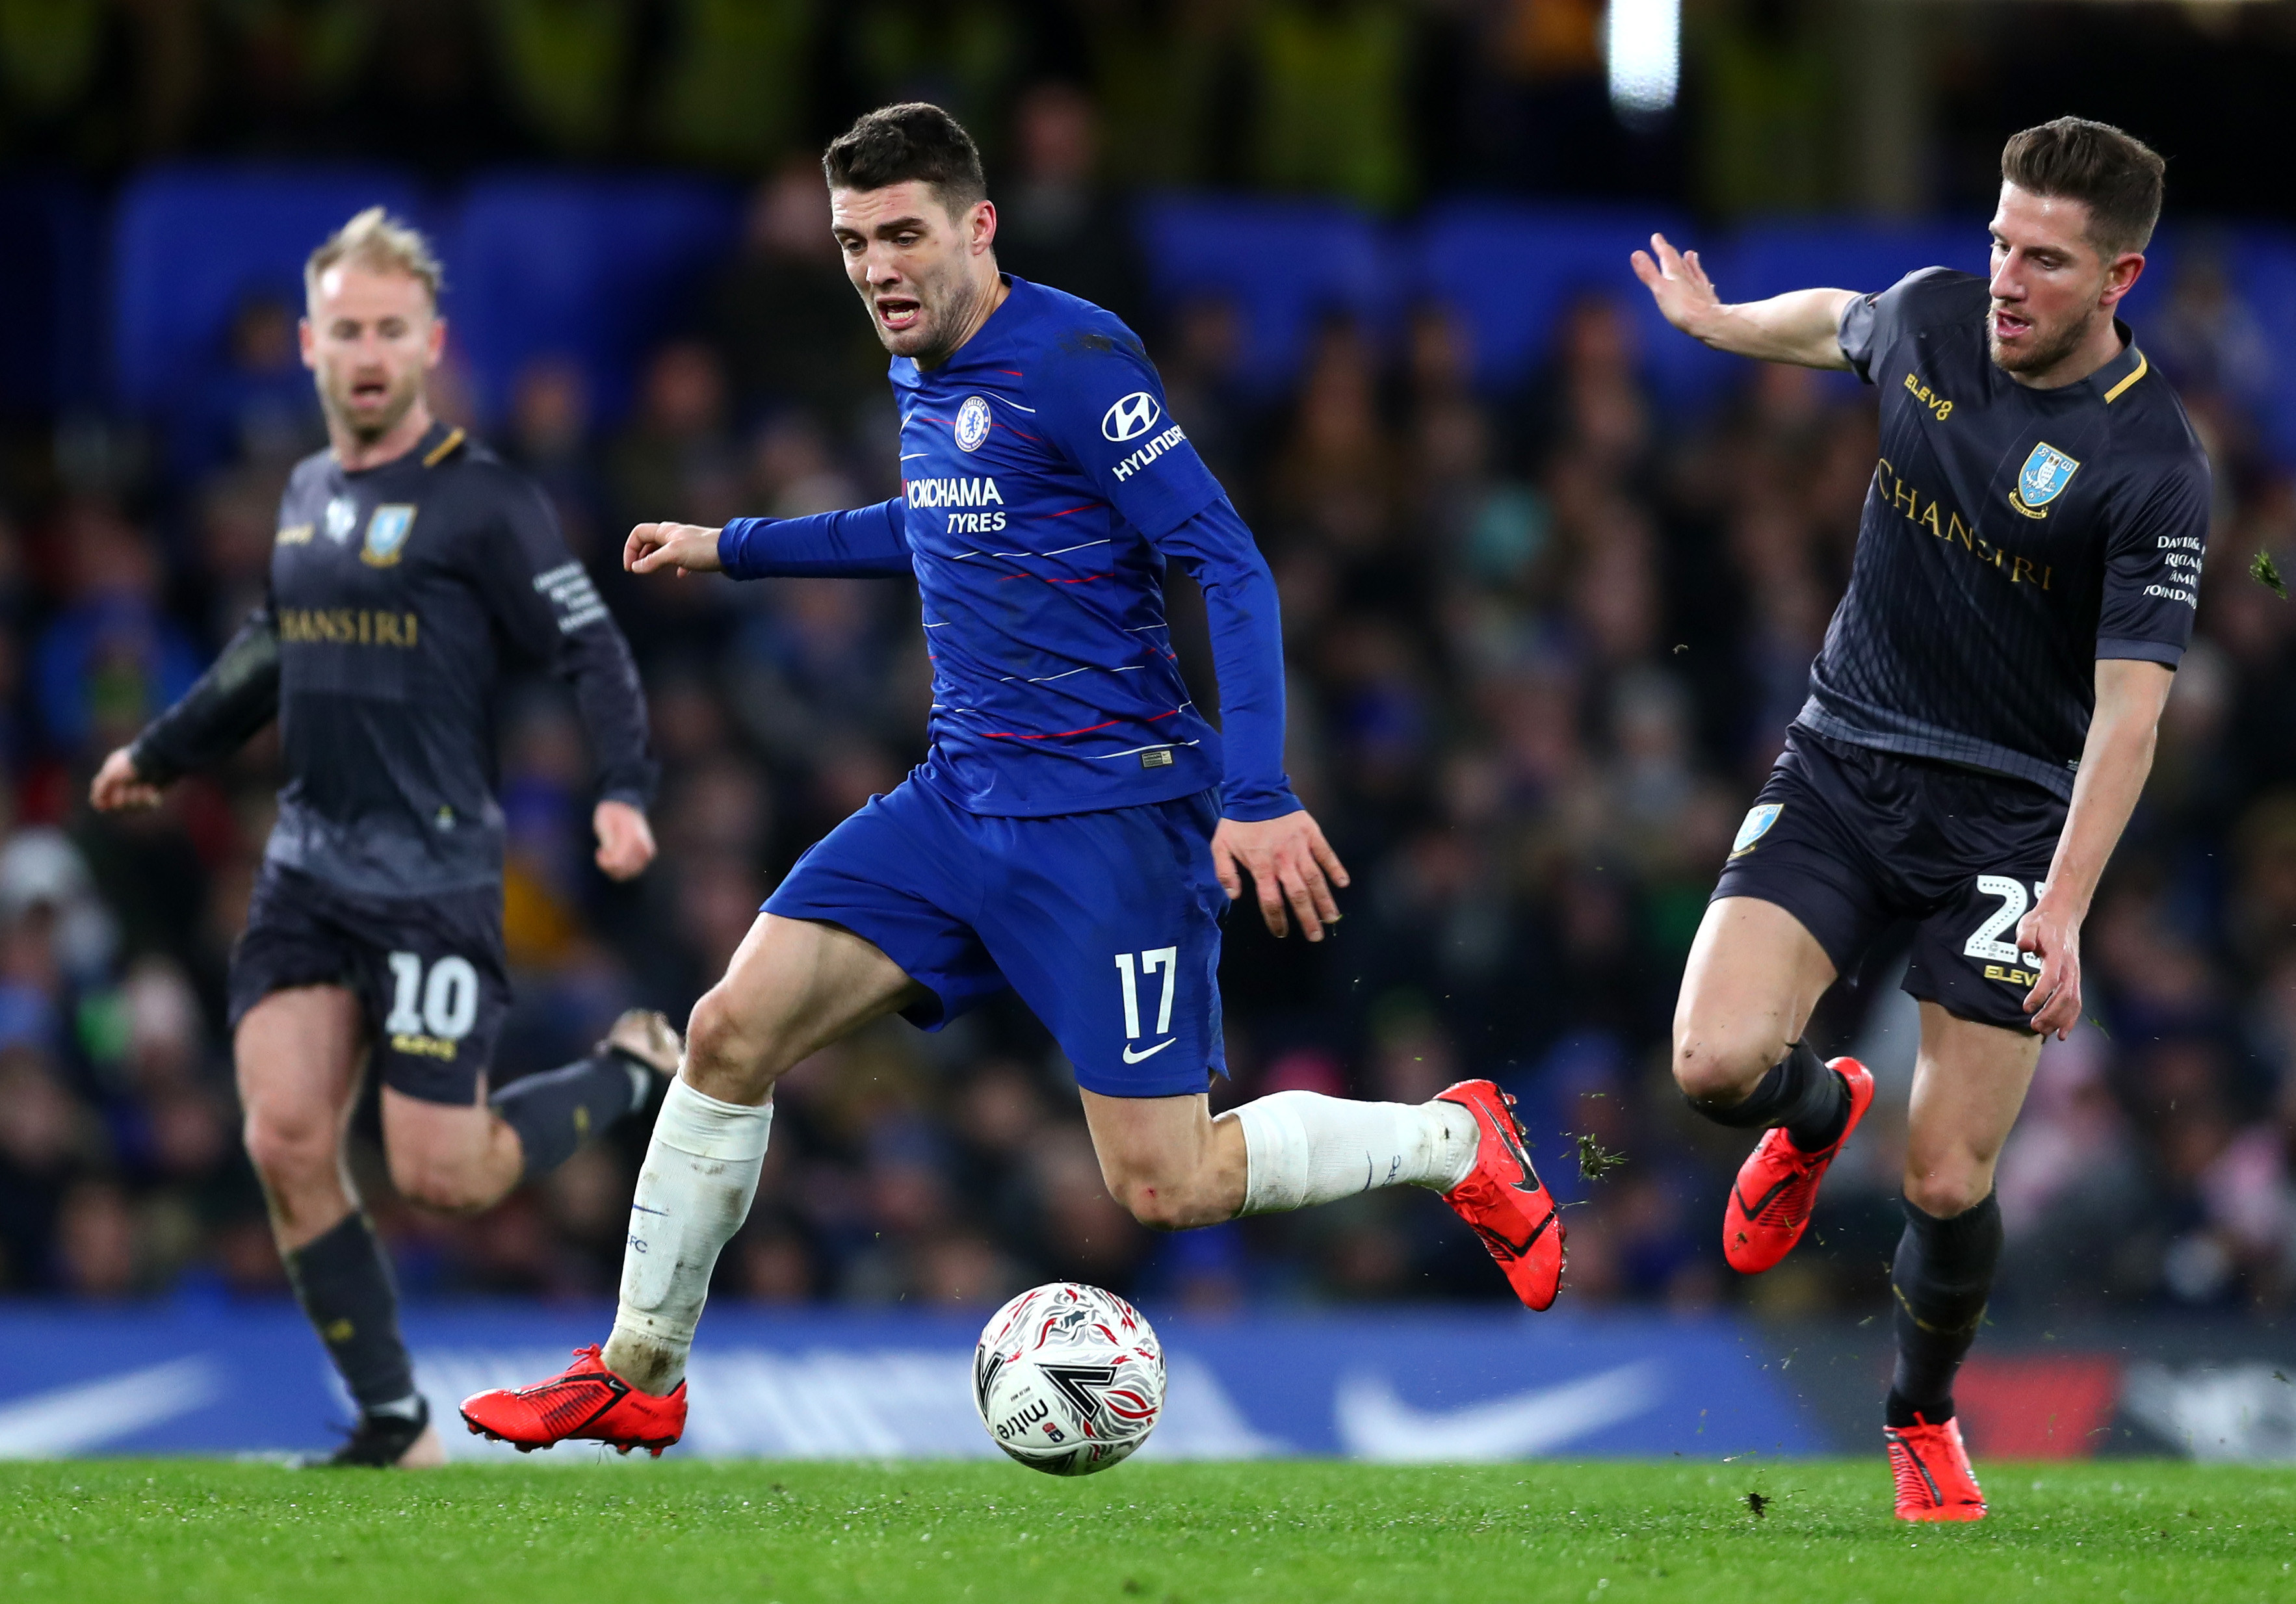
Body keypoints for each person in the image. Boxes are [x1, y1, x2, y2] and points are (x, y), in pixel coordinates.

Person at [460, 103, 1565, 1458]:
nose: (875, 266)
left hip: (1109, 822)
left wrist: (1258, 786)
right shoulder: (922, 357)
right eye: (853, 240)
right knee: (726, 1032)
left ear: (979, 227)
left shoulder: (1078, 362)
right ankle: (641, 1367)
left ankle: (1452, 1144)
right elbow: (939, 521)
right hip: (957, 800)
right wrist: (729, 543)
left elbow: (1225, 559)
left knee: (1166, 1182)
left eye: (903, 234)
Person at [1630, 118, 2208, 1520]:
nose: (2006, 278)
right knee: (1710, 1064)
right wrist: (1717, 325)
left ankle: (1918, 1417)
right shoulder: (1939, 320)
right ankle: (1820, 1107)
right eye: (2001, 240)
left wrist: (2062, 911)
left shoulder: (2150, 468)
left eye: (2046, 261)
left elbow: (2128, 719)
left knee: (1946, 1179)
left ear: (2118, 276)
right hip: (1842, 760)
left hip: (2007, 822)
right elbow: (1837, 320)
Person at [90, 209, 671, 1468]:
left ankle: (630, 1067)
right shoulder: (301, 491)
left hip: (433, 885)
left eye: (389, 330)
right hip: (307, 872)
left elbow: (590, 645)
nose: (365, 350)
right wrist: (161, 753)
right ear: (308, 344)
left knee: (444, 1175)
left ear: (429, 343)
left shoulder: (484, 501)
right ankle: (396, 1421)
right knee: (285, 1139)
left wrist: (620, 789)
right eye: (344, 328)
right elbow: (268, 648)